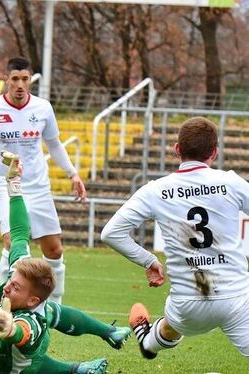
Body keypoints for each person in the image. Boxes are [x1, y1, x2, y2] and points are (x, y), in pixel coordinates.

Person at [101, 117, 249, 359]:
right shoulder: (230, 182)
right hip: (236, 298)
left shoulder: (155, 190)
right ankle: (150, 341)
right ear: (214, 152)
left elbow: (110, 233)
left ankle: (149, 344)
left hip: (187, 305)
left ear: (177, 150)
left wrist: (148, 260)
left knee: (173, 324)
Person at [0, 151, 131, 374]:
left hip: (9, 367)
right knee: (54, 311)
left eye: (16, 287)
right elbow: (20, 232)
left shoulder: (31, 321)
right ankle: (108, 332)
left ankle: (75, 369)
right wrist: (14, 182)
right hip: (27, 322)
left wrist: (11, 331)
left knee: (33, 362)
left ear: (32, 300)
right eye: (12, 281)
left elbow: (23, 331)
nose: (7, 286)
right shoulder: (21, 274)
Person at [0, 57, 87, 303]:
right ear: (6, 80)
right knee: (13, 244)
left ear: (30, 79)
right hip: (6, 186)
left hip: (38, 187)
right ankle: (5, 302)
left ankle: (55, 305)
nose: (20, 85)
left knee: (54, 249)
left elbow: (54, 144)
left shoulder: (43, 108)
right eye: (15, 79)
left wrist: (72, 173)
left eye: (25, 79)